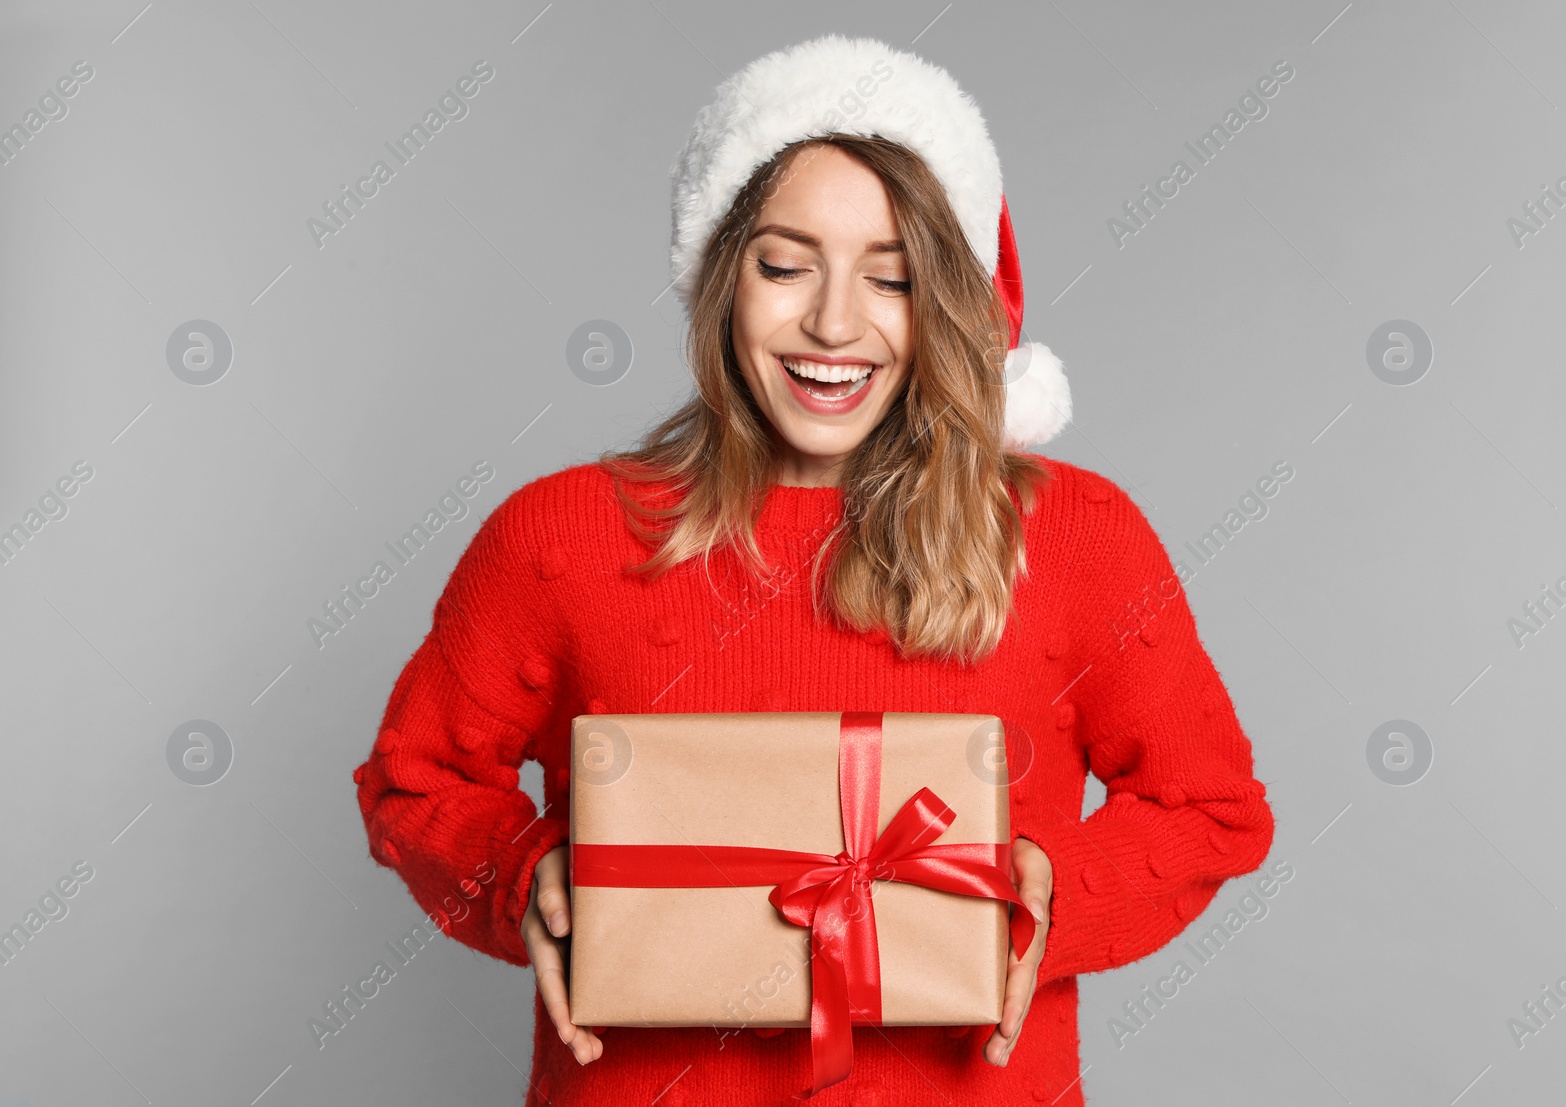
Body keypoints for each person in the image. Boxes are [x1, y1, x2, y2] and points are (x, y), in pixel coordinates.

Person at [353, 34, 1275, 1107]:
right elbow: (414, 781)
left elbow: (1210, 807)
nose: (833, 323)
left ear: (948, 300)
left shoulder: (1075, 537)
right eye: (783, 265)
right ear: (717, 277)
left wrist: (1059, 887)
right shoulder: (559, 537)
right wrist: (519, 876)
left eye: (891, 278)